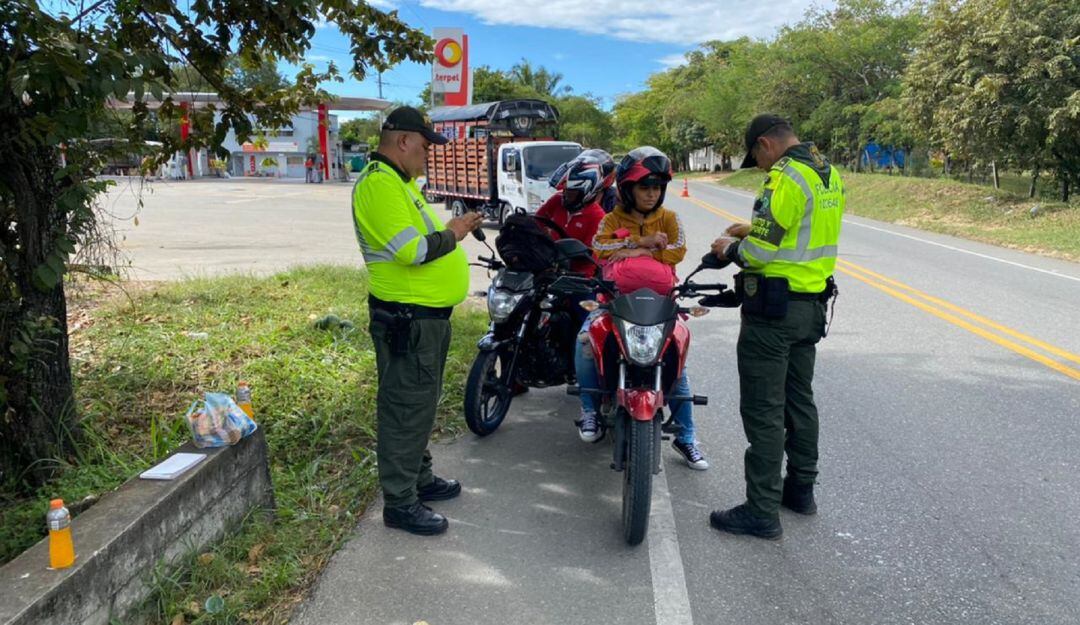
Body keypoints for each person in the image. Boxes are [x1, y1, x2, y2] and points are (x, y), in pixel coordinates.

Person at [708, 114, 844, 539]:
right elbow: (802, 230)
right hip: (811, 308)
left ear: (766, 144)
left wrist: (731, 247)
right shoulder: (826, 172)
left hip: (774, 314)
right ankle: (800, 490)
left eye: (757, 158)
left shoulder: (784, 178)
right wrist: (755, 228)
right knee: (799, 401)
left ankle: (761, 509)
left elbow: (761, 255)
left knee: (764, 410)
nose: (761, 167)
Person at [352, 106, 484, 536]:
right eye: (426, 146)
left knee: (419, 405)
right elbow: (413, 252)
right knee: (404, 409)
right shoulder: (379, 185)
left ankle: (419, 478)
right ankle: (401, 502)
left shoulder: (399, 183)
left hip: (423, 319)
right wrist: (456, 231)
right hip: (407, 321)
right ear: (404, 141)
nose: (428, 155)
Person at [576, 146, 708, 470]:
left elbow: (677, 251)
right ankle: (589, 410)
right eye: (644, 186)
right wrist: (640, 243)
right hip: (614, 300)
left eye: (657, 187)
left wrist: (632, 253)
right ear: (627, 189)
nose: (651, 194)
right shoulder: (612, 218)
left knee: (676, 357)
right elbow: (599, 247)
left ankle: (687, 437)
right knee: (584, 342)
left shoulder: (670, 218)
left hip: (661, 302)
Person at [535, 150, 614, 276]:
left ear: (587, 192)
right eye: (565, 191)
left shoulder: (598, 217)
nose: (566, 196)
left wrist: (575, 282)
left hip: (574, 277)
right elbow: (535, 222)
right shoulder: (557, 200)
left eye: (572, 193)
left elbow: (589, 263)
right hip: (547, 266)